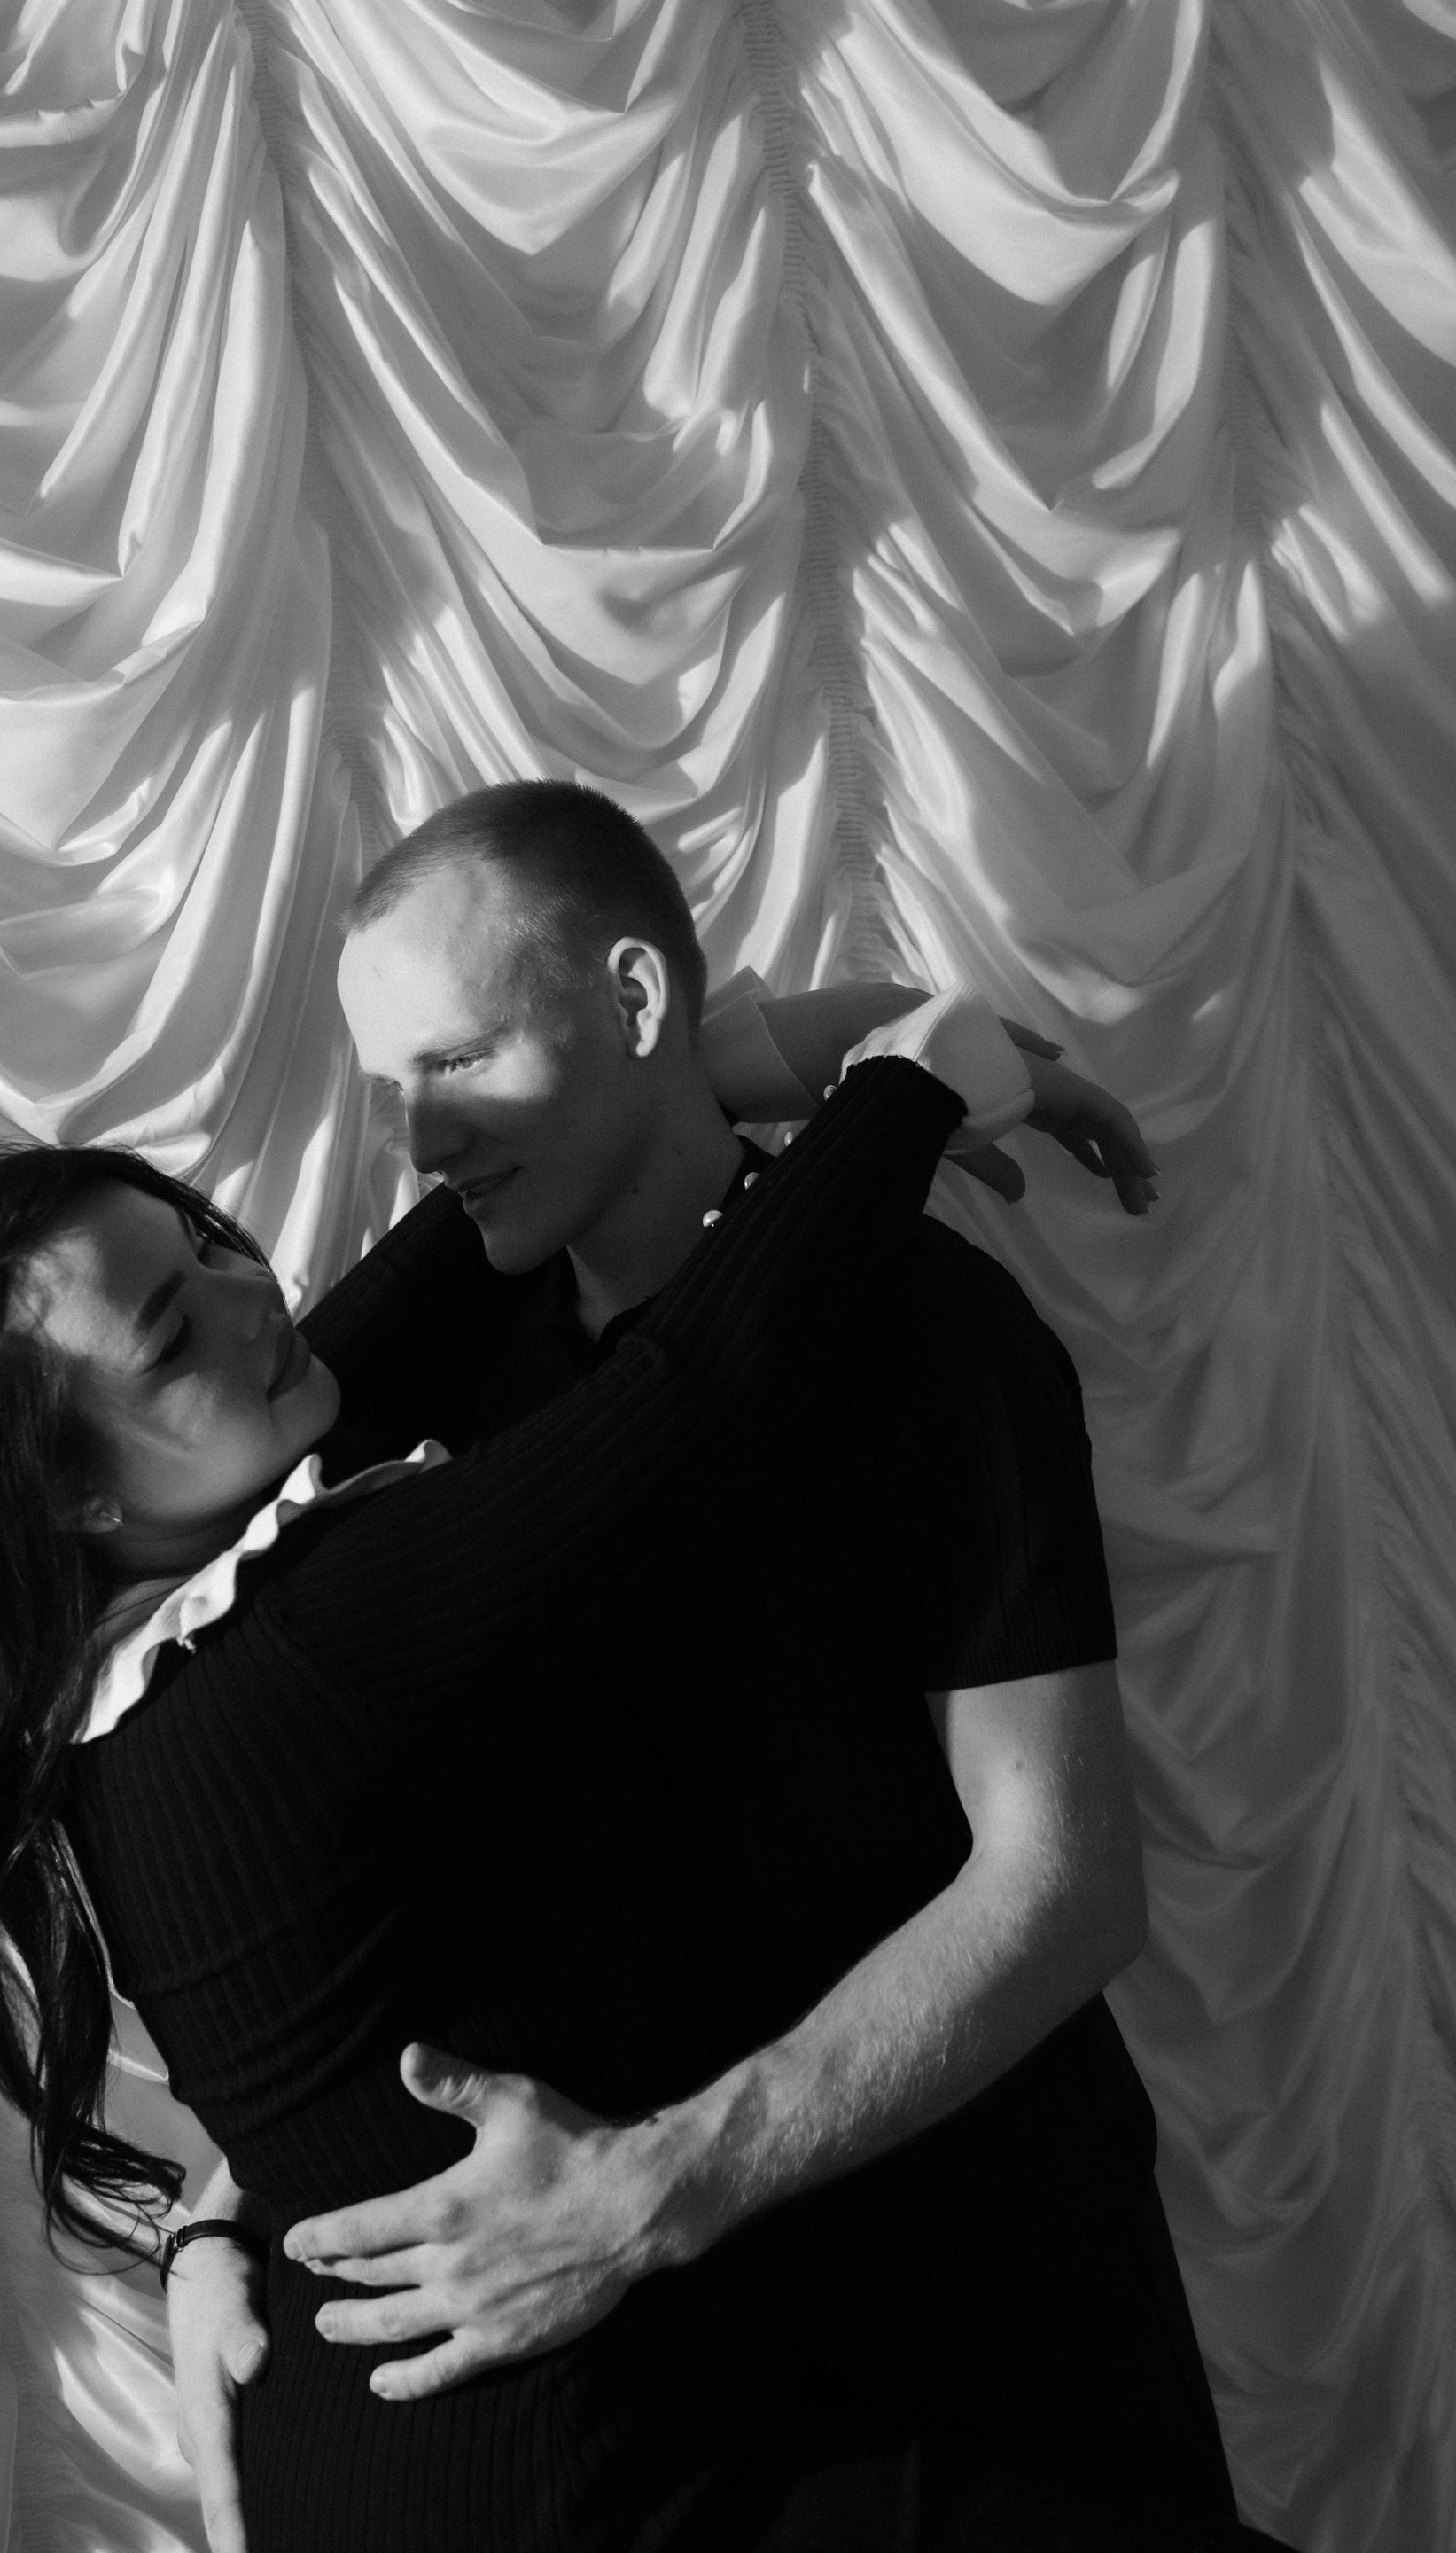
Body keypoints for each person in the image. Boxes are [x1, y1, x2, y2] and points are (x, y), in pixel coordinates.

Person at [0, 951, 1100, 2549]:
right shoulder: (312, 1636)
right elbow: (698, 1389)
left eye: (209, 1241)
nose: (253, 1297)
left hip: (455, 2451)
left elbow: (412, 1287)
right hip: (561, 2491)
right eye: (170, 1333)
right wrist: (917, 1079)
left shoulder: (121, 1687)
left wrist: (693, 1068)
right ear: (67, 1496)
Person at [152, 787, 1270, 2548]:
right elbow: (300, 1821)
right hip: (649, 2379)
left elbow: (1065, 1886)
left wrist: (658, 2184)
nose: (419, 1142)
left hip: (972, 2278)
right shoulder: (441, 1376)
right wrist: (223, 2206)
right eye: (394, 1090)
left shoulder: (930, 1336)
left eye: (459, 1063)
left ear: (632, 1001)